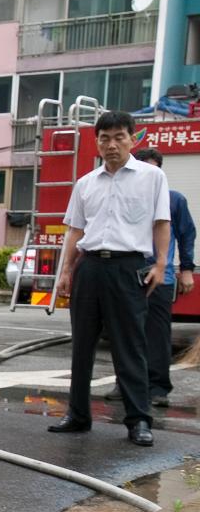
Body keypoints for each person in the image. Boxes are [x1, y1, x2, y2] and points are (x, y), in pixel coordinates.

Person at [50, 111, 170, 447]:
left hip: (127, 268)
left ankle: (138, 421)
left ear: (133, 138)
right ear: (97, 142)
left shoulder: (151, 178)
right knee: (82, 345)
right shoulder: (85, 183)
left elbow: (162, 222)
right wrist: (66, 271)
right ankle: (77, 415)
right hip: (89, 268)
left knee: (129, 346)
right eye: (104, 138)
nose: (112, 144)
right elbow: (75, 230)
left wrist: (160, 264)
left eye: (119, 137)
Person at [104, 148, 194, 407]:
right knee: (124, 334)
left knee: (157, 335)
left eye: (152, 169)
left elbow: (187, 234)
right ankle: (124, 384)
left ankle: (158, 388)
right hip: (127, 276)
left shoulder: (173, 200)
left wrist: (186, 268)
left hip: (160, 277)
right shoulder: (123, 198)